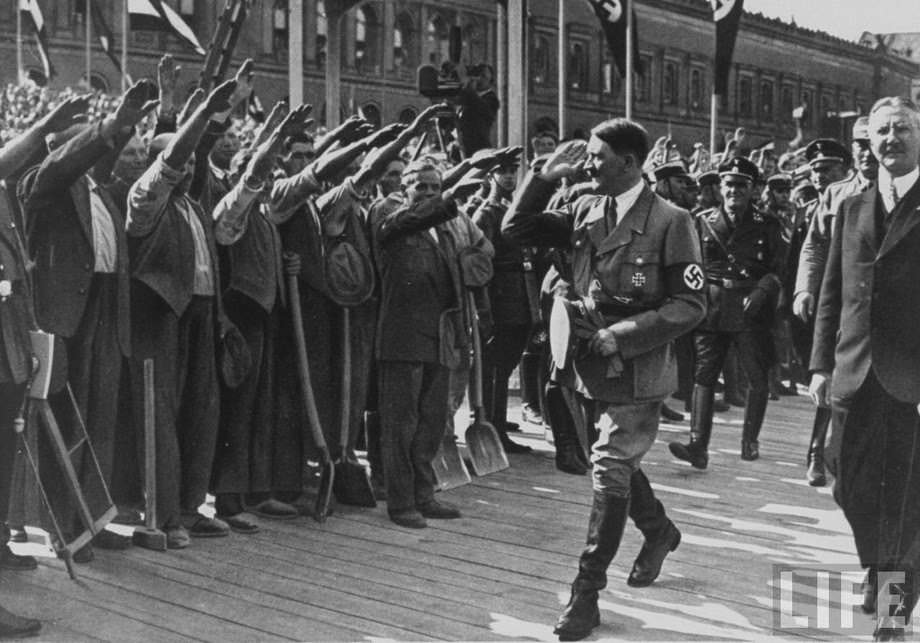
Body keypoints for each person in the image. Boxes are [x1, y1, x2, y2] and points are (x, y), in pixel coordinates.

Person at [502, 119, 706, 641]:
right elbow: (514, 229)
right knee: (609, 458)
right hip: (587, 360)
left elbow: (690, 304)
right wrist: (544, 178)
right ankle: (658, 530)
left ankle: (586, 591)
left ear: (630, 163)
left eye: (596, 157)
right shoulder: (584, 208)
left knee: (611, 464)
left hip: (636, 364)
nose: (587, 164)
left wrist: (627, 333)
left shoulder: (671, 220)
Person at [21, 81, 159, 561]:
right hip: (66, 317)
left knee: (100, 418)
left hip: (102, 309)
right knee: (67, 420)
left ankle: (92, 517)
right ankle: (64, 529)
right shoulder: (43, 182)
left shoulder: (103, 192)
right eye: (82, 144)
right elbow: (65, 163)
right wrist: (109, 127)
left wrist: (127, 129)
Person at [810, 96, 920, 639]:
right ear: (869, 141)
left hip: (912, 380)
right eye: (881, 132)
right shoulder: (852, 206)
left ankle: (894, 612)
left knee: (906, 496)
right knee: (848, 488)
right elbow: (832, 291)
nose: (890, 140)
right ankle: (878, 569)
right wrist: (818, 365)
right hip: (853, 372)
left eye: (901, 129)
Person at [126, 80, 239, 548]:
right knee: (163, 415)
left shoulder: (193, 206)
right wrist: (200, 119)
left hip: (200, 315)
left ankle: (191, 509)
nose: (187, 168)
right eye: (180, 162)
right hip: (161, 316)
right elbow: (167, 168)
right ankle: (165, 515)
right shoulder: (145, 202)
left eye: (193, 162)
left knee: (202, 413)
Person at [371, 151, 494, 529]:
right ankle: (401, 501)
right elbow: (414, 217)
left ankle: (425, 494)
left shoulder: (444, 231)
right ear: (403, 189)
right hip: (403, 338)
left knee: (431, 422)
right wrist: (449, 199)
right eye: (419, 186)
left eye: (434, 187)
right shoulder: (390, 221)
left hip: (439, 338)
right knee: (400, 423)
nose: (427, 193)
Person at [669, 157, 784, 468]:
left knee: (756, 377)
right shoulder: (701, 220)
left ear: (753, 190)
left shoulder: (768, 225)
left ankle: (749, 441)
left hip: (750, 309)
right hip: (714, 307)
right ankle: (697, 445)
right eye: (729, 184)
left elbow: (779, 269)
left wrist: (762, 291)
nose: (734, 190)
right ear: (720, 188)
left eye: (741, 185)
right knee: (704, 375)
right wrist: (694, 298)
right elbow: (690, 265)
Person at [794, 119, 878, 487]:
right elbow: (815, 245)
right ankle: (817, 451)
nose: (865, 150)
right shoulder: (837, 194)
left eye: (870, 142)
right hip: (843, 301)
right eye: (859, 143)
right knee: (830, 374)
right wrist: (805, 288)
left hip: (886, 305)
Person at [472, 152, 535, 454]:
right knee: (496, 363)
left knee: (508, 360)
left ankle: (498, 418)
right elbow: (480, 261)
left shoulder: (512, 208)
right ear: (490, 176)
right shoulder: (487, 213)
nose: (509, 176)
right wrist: (484, 306)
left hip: (520, 293)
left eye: (513, 171)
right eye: (503, 171)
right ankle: (493, 424)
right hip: (500, 295)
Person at [454, 63, 499, 157]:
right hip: (462, 148)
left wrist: (470, 90)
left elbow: (481, 108)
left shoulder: (491, 99)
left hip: (479, 148)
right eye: (477, 75)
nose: (479, 79)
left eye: (483, 76)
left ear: (490, 80)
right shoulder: (468, 96)